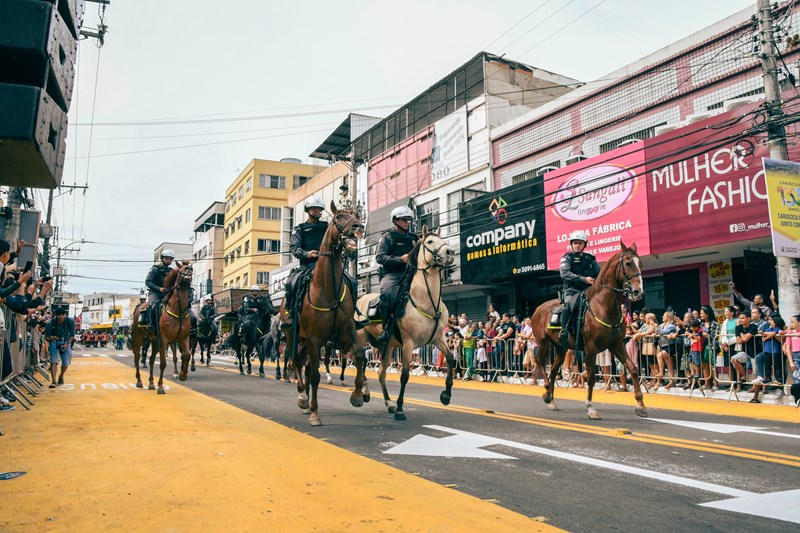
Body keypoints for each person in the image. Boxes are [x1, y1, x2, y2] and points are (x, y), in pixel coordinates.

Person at [374, 205, 419, 349]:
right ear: (395, 220)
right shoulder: (387, 236)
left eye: (408, 220)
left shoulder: (414, 238)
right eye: (404, 219)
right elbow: (380, 257)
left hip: (412, 273)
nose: (407, 222)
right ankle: (386, 329)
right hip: (392, 275)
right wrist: (400, 259)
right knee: (386, 295)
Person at [558, 230, 600, 349]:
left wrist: (595, 281)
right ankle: (564, 330)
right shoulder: (566, 257)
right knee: (569, 305)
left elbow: (599, 274)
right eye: (575, 243)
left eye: (580, 243)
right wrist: (583, 279)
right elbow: (564, 274)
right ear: (571, 244)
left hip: (589, 290)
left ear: (584, 245)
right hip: (572, 290)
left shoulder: (591, 258)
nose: (577, 245)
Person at [140, 249, 175, 326]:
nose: (168, 260)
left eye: (170, 259)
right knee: (152, 305)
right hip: (155, 293)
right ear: (162, 258)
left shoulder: (172, 271)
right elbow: (148, 282)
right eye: (167, 258)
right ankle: (150, 324)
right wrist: (159, 288)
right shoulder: (155, 269)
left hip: (167, 294)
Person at [45, 307, 75, 388]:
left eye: (62, 315)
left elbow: (72, 335)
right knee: (53, 361)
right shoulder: (50, 323)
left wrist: (67, 343)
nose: (61, 317)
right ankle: (54, 381)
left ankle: (61, 376)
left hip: (65, 341)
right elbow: (46, 337)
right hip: (54, 342)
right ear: (56, 315)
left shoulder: (70, 321)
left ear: (65, 315)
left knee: (66, 362)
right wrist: (51, 338)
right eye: (59, 315)